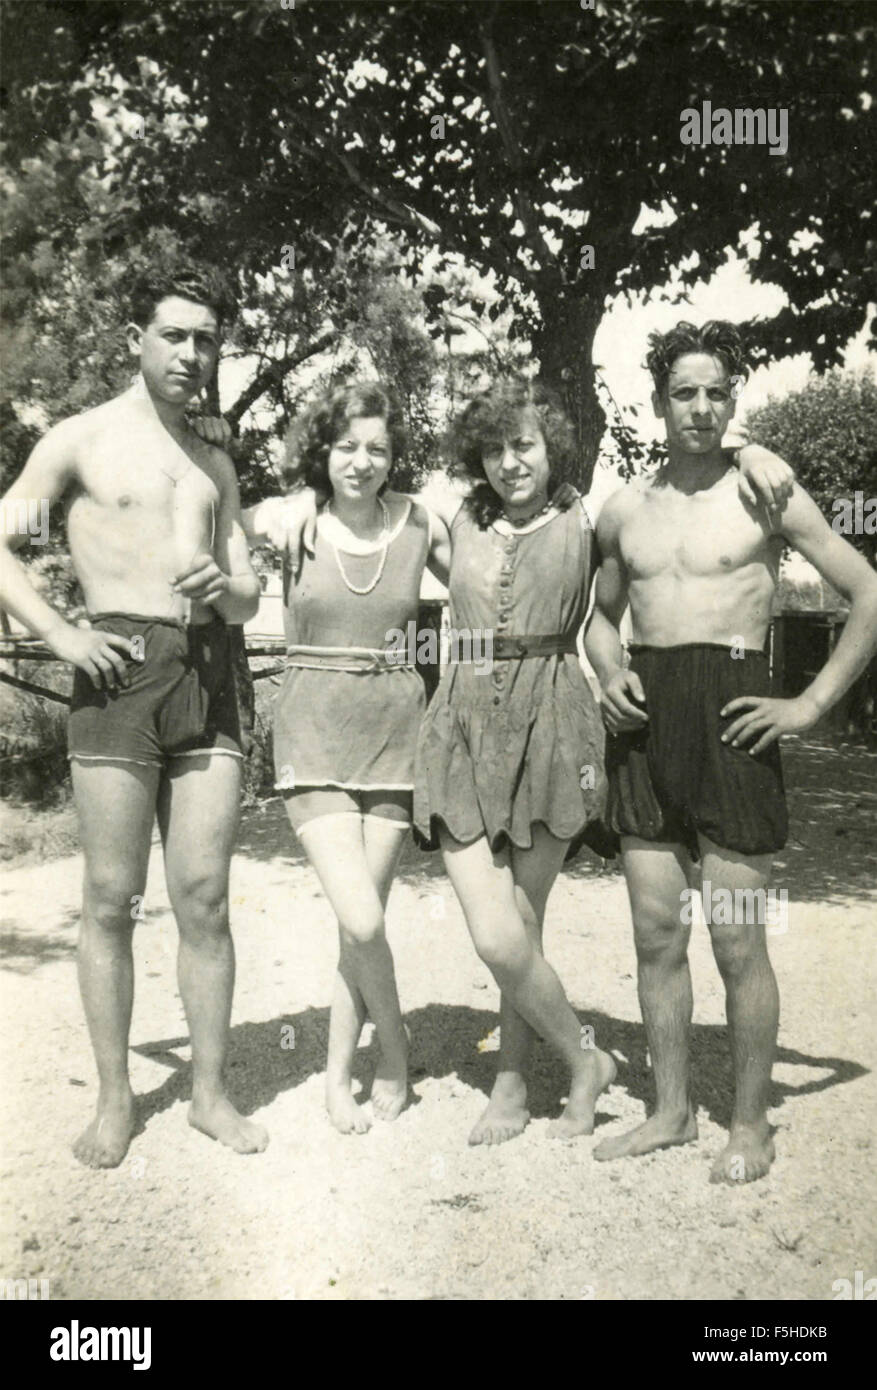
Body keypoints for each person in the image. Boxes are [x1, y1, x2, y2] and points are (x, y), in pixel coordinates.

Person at [585, 320, 877, 1183]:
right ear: (656, 402)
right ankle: (670, 1111)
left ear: (733, 402)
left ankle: (750, 1126)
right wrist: (605, 673)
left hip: (735, 724)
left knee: (738, 940)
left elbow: (866, 591)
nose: (701, 408)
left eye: (717, 393)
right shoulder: (624, 508)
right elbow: (600, 620)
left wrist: (811, 704)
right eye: (685, 392)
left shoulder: (766, 494)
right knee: (653, 934)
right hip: (645, 728)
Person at [0, 258, 266, 1167]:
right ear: (136, 341)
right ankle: (115, 1100)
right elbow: (1, 539)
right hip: (114, 670)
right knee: (111, 899)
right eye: (176, 336)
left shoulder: (214, 458)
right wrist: (63, 638)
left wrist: (225, 583)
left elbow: (247, 593)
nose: (193, 355)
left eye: (207, 341)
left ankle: (209, 1095)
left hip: (209, 672)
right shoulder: (79, 441)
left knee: (204, 897)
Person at [258, 382, 450, 1133]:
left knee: (355, 925)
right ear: (322, 453)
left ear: (396, 455)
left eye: (377, 448)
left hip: (397, 737)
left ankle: (338, 1077)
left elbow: (494, 574)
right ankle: (395, 1049)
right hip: (311, 735)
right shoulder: (288, 520)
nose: (362, 462)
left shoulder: (419, 522)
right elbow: (205, 517)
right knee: (364, 920)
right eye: (345, 447)